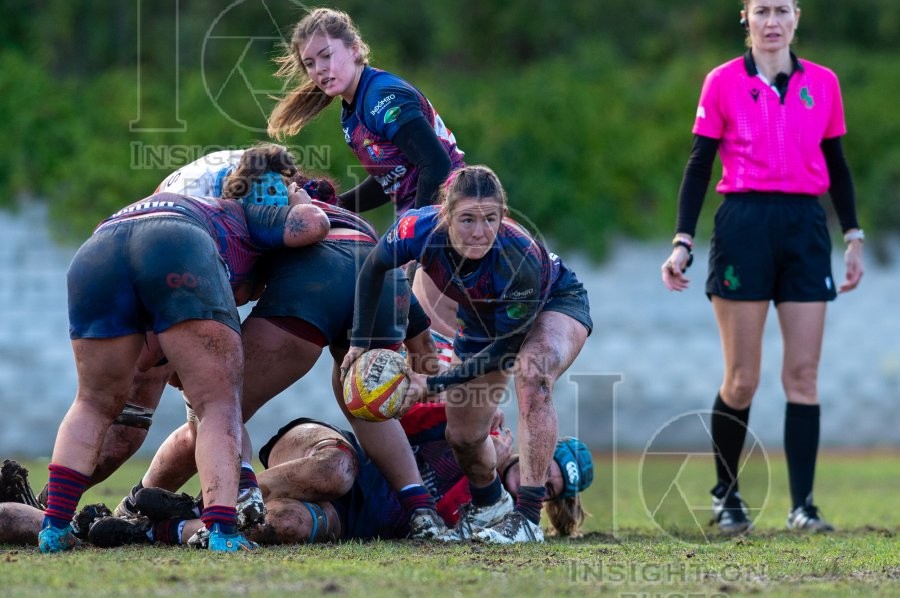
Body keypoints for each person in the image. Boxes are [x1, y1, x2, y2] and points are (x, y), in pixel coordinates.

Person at [114, 147, 448, 541]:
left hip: (317, 280)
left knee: (217, 407)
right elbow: (422, 346)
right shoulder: (344, 214)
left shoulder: (258, 209)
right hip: (383, 277)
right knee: (365, 410)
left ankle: (181, 502)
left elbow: (224, 292)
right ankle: (423, 513)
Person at [37, 165, 330, 553]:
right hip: (177, 245)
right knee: (219, 404)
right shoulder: (258, 207)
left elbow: (144, 359)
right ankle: (224, 532)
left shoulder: (198, 202)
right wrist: (300, 201)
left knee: (92, 402)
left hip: (99, 246)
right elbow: (311, 224)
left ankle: (53, 526)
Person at [660, 0, 864, 534]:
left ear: (798, 16)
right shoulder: (723, 81)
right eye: (762, 10)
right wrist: (683, 239)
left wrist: (854, 234)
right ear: (744, 18)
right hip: (743, 225)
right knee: (743, 379)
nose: (772, 21)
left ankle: (804, 506)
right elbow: (699, 164)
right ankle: (726, 495)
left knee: (803, 375)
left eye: (782, 10)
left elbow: (837, 164)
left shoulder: (823, 82)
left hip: (804, 225)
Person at [342, 165, 593, 543]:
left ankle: (525, 520)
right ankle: (489, 505)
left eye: (491, 219)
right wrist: (360, 340)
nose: (480, 232)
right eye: (468, 219)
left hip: (555, 303)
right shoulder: (418, 230)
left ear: (503, 215)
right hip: (482, 322)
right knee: (463, 435)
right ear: (445, 214)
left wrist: (433, 382)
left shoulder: (518, 259)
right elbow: (374, 267)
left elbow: (506, 349)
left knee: (532, 373)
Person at [85, 404, 594, 547]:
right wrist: (470, 427)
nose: (539, 481)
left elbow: (452, 539)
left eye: (550, 487)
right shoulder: (471, 420)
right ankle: (206, 504)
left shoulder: (499, 520)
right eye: (544, 466)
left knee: (288, 526)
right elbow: (383, 412)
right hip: (331, 450)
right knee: (339, 471)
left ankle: (160, 528)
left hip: (353, 522)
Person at [268, 6, 465, 350]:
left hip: (449, 218)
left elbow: (436, 166)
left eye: (326, 55)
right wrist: (338, 206)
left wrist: (414, 238)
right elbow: (394, 178)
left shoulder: (380, 98)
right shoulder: (351, 110)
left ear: (355, 48)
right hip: (431, 218)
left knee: (434, 358)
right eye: (310, 64)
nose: (319, 70)